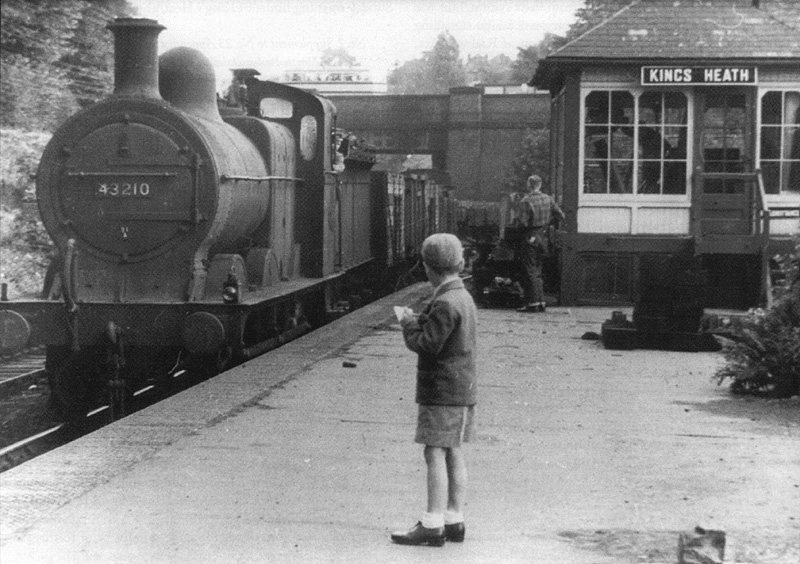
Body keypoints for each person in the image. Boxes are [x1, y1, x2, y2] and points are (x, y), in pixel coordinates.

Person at [391, 233, 478, 547]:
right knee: (453, 450)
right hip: (462, 389)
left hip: (441, 392)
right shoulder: (462, 296)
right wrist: (423, 319)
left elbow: (427, 345)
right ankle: (455, 519)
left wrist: (409, 324)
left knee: (433, 452)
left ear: (430, 268)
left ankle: (432, 523)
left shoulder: (443, 301)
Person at [515, 174, 565, 313]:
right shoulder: (548, 199)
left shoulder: (526, 201)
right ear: (540, 185)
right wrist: (549, 223)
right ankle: (541, 301)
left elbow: (523, 222)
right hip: (543, 237)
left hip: (531, 236)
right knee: (538, 269)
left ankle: (532, 303)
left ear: (529, 185)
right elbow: (561, 215)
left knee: (529, 270)